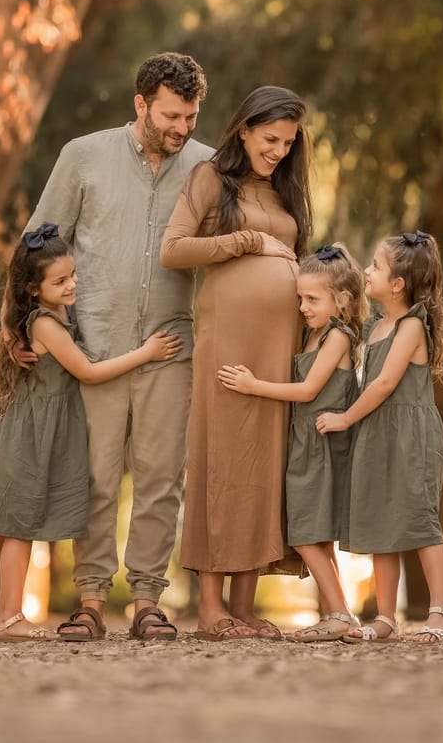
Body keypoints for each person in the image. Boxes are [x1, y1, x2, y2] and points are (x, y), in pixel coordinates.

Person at [23, 53, 211, 641]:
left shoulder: (208, 167)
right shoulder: (83, 156)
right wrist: (22, 326)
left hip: (173, 347)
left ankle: (149, 600)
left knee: (162, 478)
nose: (182, 128)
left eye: (191, 116)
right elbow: (39, 244)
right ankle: (90, 602)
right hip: (94, 348)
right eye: (171, 115)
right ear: (141, 105)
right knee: (97, 478)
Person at [0, 223, 182, 641]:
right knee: (18, 527)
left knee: (1, 526)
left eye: (72, 275)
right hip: (32, 436)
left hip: (20, 428)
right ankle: (10, 616)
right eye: (61, 280)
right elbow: (87, 371)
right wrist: (146, 353)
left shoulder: (36, 318)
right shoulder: (46, 325)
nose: (72, 285)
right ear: (34, 289)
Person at [161, 85, 312, 641]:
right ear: (244, 129)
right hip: (228, 339)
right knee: (222, 459)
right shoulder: (210, 179)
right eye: (270, 139)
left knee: (264, 463)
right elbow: (174, 249)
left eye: (287, 143)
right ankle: (209, 610)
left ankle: (244, 607)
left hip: (279, 345)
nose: (277, 150)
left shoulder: (283, 191)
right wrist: (246, 241)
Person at [217, 242, 367, 642]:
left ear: (342, 300)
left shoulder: (337, 336)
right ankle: (342, 614)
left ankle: (338, 613)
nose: (303, 307)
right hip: (304, 444)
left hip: (320, 446)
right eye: (300, 297)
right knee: (314, 535)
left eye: (312, 299)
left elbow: (308, 391)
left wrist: (252, 385)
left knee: (304, 536)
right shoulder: (314, 334)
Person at [316, 230, 443, 644]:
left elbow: (382, 385)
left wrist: (344, 419)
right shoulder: (379, 323)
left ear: (397, 285)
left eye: (375, 266)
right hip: (378, 430)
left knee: (417, 515)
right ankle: (385, 616)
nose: (367, 271)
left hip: (410, 434)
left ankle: (442, 608)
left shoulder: (413, 324)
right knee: (381, 520)